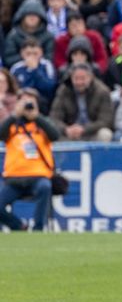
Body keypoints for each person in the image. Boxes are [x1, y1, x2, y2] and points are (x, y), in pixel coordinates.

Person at [0, 89, 60, 231]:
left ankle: (38, 229)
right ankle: (19, 227)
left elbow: (55, 135)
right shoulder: (12, 126)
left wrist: (36, 117)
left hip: (38, 177)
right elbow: (1, 134)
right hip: (14, 179)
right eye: (24, 103)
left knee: (45, 187)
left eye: (31, 103)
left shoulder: (42, 124)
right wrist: (14, 115)